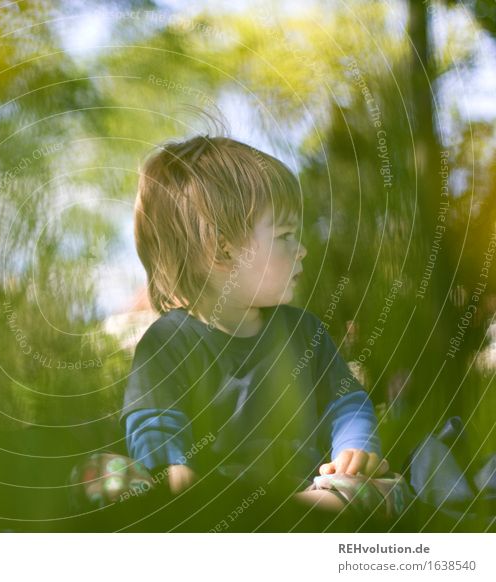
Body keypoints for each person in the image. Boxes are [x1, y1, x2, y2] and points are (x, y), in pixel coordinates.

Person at [122, 133, 391, 516]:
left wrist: (355, 448)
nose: (302, 248)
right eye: (284, 235)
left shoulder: (304, 332)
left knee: (377, 489)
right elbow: (154, 417)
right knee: (103, 476)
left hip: (305, 490)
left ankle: (278, 514)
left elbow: (344, 401)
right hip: (210, 497)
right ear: (222, 250)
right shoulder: (169, 341)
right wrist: (171, 466)